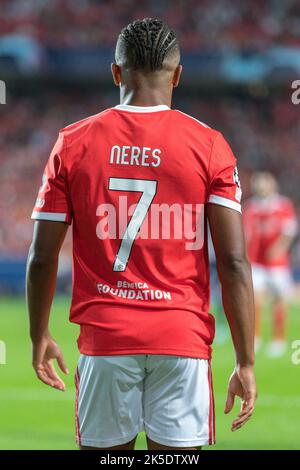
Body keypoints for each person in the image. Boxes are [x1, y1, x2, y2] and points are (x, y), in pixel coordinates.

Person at [26, 18, 256, 451]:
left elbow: (41, 257)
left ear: (115, 72)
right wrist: (245, 360)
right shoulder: (210, 145)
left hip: (106, 339)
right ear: (178, 75)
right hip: (181, 339)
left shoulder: (71, 143)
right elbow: (233, 262)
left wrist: (39, 334)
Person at [243, 172, 297, 357]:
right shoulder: (251, 207)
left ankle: (278, 339)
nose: (261, 187)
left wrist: (279, 248)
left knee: (279, 301)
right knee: (255, 300)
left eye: (264, 183)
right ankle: (255, 338)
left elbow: (289, 231)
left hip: (277, 263)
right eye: (258, 183)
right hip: (256, 261)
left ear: (272, 185)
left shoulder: (283, 205)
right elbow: (246, 233)